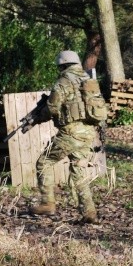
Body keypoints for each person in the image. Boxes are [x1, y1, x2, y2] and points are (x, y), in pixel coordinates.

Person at [29, 50, 100, 223]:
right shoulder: (88, 80)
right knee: (78, 170)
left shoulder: (63, 81)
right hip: (89, 132)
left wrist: (37, 117)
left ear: (63, 65)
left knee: (44, 162)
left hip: (71, 133)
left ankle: (47, 203)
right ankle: (89, 213)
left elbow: (53, 108)